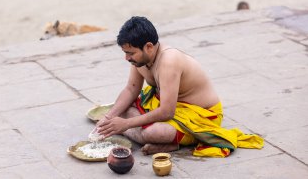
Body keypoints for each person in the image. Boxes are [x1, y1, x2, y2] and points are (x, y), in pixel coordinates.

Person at [97, 16, 263, 157]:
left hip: (200, 114)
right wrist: (109, 118)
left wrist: (125, 125)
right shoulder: (140, 58)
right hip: (168, 104)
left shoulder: (168, 61)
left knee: (151, 133)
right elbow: (131, 89)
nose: (127, 58)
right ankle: (165, 140)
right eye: (125, 53)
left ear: (148, 46)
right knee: (121, 108)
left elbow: (167, 112)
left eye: (130, 53)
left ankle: (168, 140)